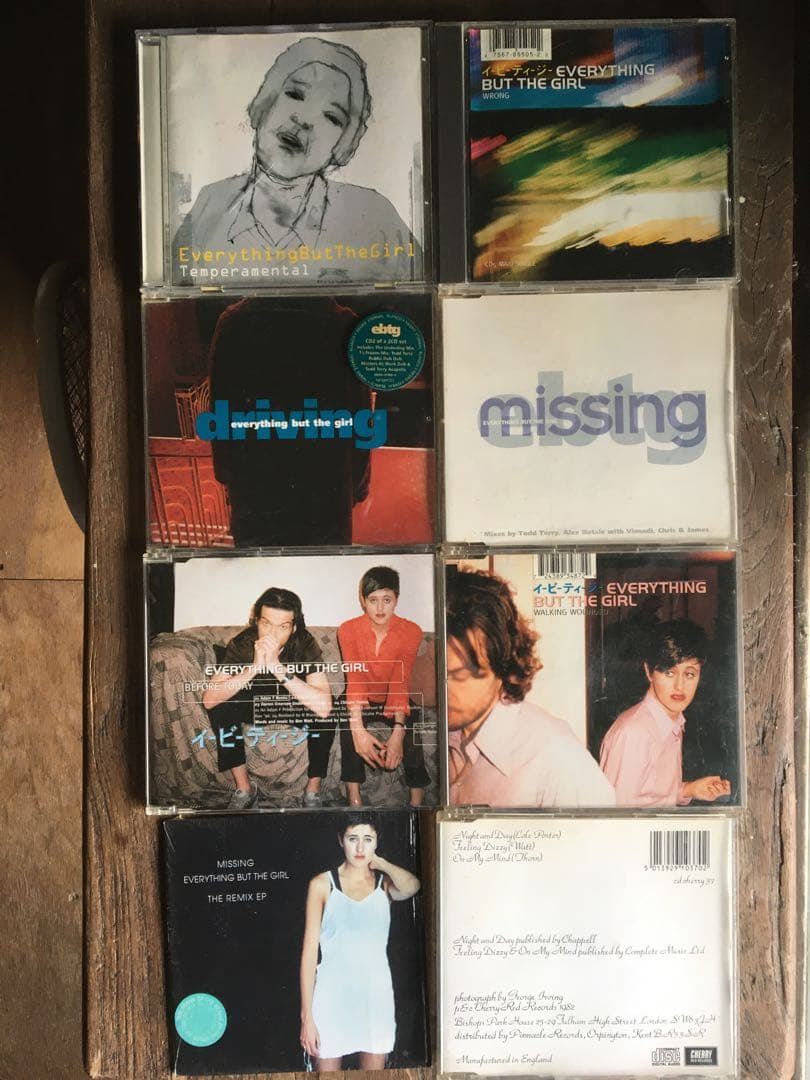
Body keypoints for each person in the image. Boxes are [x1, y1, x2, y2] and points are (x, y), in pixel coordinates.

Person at [172, 37, 420, 284]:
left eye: (331, 117)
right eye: (295, 94)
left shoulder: (376, 219)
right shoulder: (208, 203)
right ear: (265, 101)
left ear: (344, 142)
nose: (304, 120)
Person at [445, 565, 615, 808]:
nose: (442, 688)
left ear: (504, 664)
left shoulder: (560, 761)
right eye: (435, 670)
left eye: (459, 674)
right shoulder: (440, 733)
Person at [299, 815, 420, 1072]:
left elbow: (412, 886)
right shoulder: (322, 884)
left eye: (368, 839)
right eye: (353, 838)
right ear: (341, 840)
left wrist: (382, 863)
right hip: (331, 997)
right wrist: (307, 1016)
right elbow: (309, 954)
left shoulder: (384, 885)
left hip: (375, 997)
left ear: (377, 842)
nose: (360, 848)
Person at [303, 566, 430, 808]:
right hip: (360, 695)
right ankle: (354, 796)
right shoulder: (348, 629)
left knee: (412, 719)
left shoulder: (411, 631)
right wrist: (358, 730)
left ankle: (417, 801)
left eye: (387, 600)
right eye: (373, 600)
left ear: (396, 599)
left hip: (393, 696)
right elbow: (356, 679)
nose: (380, 608)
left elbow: (400, 681)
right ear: (363, 600)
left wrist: (398, 730)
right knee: (347, 716)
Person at [201, 587, 332, 808]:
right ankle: (245, 789)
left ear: (294, 627)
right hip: (254, 706)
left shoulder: (304, 642)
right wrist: (254, 667)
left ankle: (313, 790)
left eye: (283, 627)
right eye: (266, 624)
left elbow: (325, 707)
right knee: (221, 705)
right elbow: (209, 699)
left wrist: (277, 668)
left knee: (330, 708)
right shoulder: (243, 642)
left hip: (291, 705)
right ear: (256, 621)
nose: (272, 634)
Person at [599, 619, 732, 807]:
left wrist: (689, 789)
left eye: (689, 674)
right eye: (669, 673)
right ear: (649, 672)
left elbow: (648, 797)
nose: (680, 686)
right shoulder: (634, 733)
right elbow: (618, 814)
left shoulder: (671, 721)